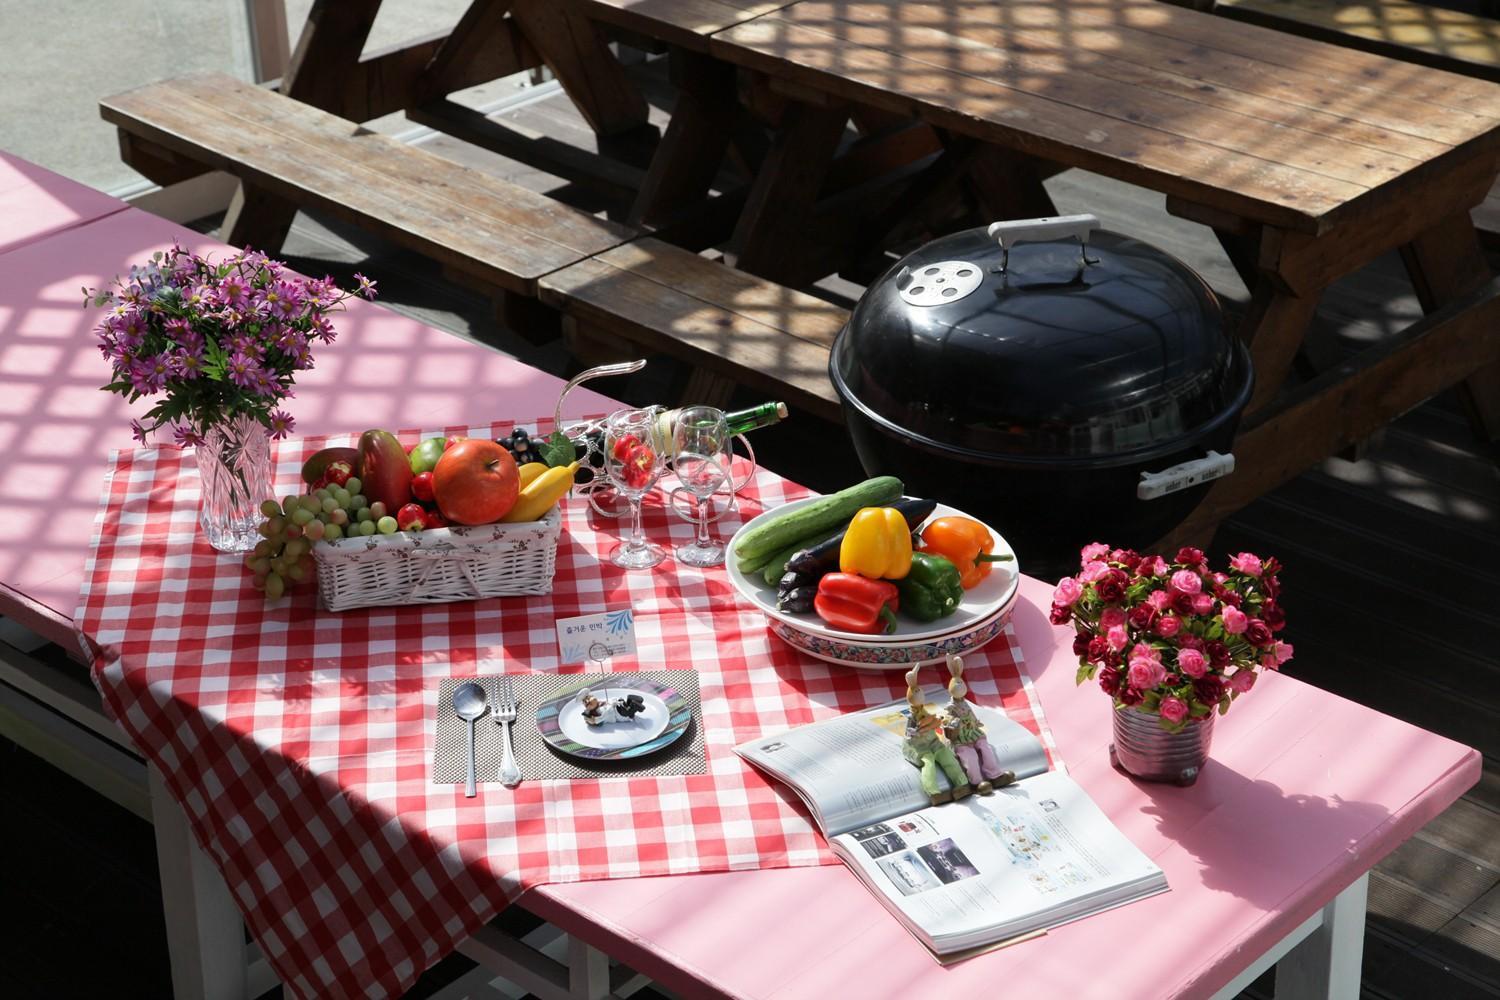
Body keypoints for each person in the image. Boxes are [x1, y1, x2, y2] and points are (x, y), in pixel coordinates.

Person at [942, 654, 1015, 795]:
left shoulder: (965, 703)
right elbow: (947, 720)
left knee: (986, 748)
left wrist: (976, 723)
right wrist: (953, 722)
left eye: (961, 683)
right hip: (961, 738)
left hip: (973, 733)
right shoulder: (950, 707)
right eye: (957, 684)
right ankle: (976, 782)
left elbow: (971, 715)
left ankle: (995, 775)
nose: (960, 687)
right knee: (970, 756)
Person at [901, 665, 971, 805]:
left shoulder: (924, 712)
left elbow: (936, 722)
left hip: (933, 742)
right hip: (918, 747)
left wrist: (935, 722)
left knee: (948, 757)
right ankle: (934, 793)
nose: (920, 695)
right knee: (929, 763)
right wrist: (925, 726)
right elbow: (912, 734)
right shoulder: (911, 717)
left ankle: (962, 785)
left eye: (920, 691)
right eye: (917, 692)